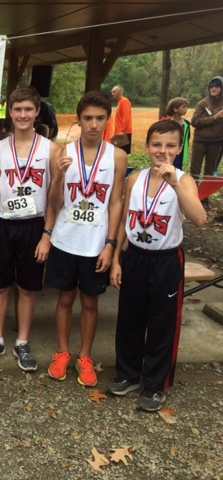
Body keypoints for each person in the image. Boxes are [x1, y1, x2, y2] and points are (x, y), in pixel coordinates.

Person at [108, 120, 206, 411]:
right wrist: (116, 259)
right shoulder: (136, 178)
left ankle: (155, 384)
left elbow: (200, 219)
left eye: (170, 146)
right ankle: (128, 373)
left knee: (162, 323)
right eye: (157, 145)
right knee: (130, 317)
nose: (162, 151)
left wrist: (174, 183)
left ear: (179, 149)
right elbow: (127, 220)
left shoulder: (183, 180)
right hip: (136, 256)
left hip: (165, 260)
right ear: (147, 147)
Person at [46, 91, 128, 387]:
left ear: (108, 120)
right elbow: (54, 203)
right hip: (66, 239)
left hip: (95, 244)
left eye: (100, 118)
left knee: (90, 303)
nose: (94, 124)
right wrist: (57, 177)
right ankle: (62, 351)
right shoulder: (63, 152)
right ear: (78, 120)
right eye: (88, 118)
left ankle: (85, 356)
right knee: (65, 298)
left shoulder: (117, 155)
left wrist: (110, 245)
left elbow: (116, 203)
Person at [0, 86, 59, 371]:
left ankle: (22, 342)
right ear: (9, 113)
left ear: (37, 112)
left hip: (34, 226)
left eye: (28, 109)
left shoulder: (49, 149)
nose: (22, 115)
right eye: (17, 110)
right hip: (4, 223)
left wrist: (47, 235)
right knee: (0, 286)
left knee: (28, 287)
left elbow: (54, 198)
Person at [190, 76, 223, 209]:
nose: (214, 88)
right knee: (195, 171)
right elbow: (195, 121)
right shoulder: (203, 104)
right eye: (211, 86)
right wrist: (215, 117)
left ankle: (204, 198)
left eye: (217, 86)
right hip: (200, 141)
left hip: (216, 143)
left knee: (209, 172)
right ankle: (192, 198)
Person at [162, 97, 191, 170]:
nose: (186, 109)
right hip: (168, 153)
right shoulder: (167, 123)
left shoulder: (186, 124)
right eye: (183, 107)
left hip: (180, 153)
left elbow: (187, 138)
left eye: (186, 107)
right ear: (175, 109)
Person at [111, 85, 133, 154]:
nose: (112, 93)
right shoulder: (120, 102)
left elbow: (126, 117)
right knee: (118, 153)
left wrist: (122, 131)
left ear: (120, 92)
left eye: (114, 92)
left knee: (124, 153)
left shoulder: (124, 101)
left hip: (124, 133)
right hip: (119, 132)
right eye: (112, 92)